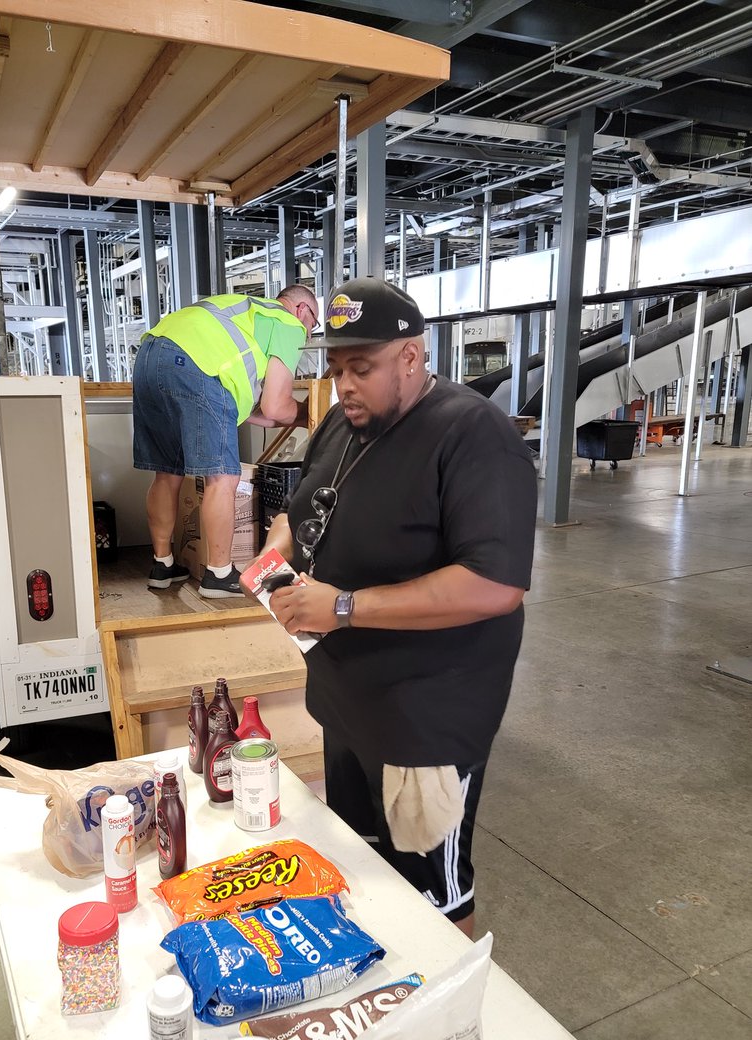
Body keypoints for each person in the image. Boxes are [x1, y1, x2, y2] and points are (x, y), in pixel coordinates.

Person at [264, 277, 537, 936]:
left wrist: (344, 607)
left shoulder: (472, 434)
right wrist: (279, 546)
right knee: (361, 867)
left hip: (424, 721)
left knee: (432, 897)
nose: (344, 385)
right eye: (335, 369)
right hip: (348, 706)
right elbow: (305, 509)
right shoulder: (344, 421)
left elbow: (495, 584)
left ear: (411, 356)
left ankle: (449, 1003)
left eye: (362, 368)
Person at [133, 286, 319, 598]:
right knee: (222, 477)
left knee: (167, 472)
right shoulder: (288, 323)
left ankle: (162, 565)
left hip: (150, 356)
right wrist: (308, 414)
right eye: (312, 325)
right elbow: (276, 406)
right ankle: (218, 574)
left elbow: (256, 411)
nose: (309, 334)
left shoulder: (245, 311)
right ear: (302, 309)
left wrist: (284, 413)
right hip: (196, 366)